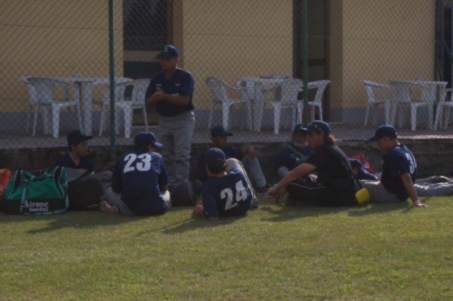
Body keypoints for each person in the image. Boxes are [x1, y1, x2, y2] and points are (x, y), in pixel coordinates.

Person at [267, 121, 356, 207]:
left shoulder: (323, 151)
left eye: (311, 135)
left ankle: (301, 202)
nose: (307, 138)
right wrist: (284, 185)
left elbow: (298, 172)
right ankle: (297, 201)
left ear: (321, 135)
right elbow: (303, 172)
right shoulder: (330, 147)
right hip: (342, 192)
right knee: (293, 181)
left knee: (292, 184)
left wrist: (276, 187)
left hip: (337, 194)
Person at [145, 45, 195, 189]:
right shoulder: (156, 78)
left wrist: (164, 96)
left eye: (167, 59)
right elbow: (149, 103)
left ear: (177, 60)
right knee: (166, 156)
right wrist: (155, 98)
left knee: (182, 155)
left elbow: (185, 100)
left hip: (183, 119)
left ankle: (182, 187)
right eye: (162, 58)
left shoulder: (185, 77)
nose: (163, 61)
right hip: (164, 120)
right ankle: (170, 185)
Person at [101, 131, 171, 216]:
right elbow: (165, 187)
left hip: (130, 209)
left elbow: (115, 188)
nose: (154, 149)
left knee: (108, 191)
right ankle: (166, 203)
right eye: (153, 146)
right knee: (167, 193)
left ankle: (116, 207)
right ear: (149, 146)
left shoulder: (123, 156)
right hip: (157, 208)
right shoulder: (157, 156)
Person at [364, 125, 427, 207]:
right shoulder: (404, 149)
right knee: (371, 179)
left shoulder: (392, 155)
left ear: (385, 139)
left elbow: (406, 177)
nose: (378, 145)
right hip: (401, 194)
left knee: (356, 183)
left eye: (378, 141)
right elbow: (392, 173)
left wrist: (416, 201)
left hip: (391, 194)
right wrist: (376, 180)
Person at [198, 126, 268, 193]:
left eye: (226, 137)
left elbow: (243, 156)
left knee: (251, 158)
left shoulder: (229, 149)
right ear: (213, 138)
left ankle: (262, 186)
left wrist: (249, 149)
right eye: (222, 137)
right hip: (220, 180)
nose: (224, 140)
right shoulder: (207, 154)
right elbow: (204, 176)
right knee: (230, 162)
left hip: (235, 177)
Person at [192, 148, 252, 220]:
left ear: (207, 167)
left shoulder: (208, 185)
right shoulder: (238, 173)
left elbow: (213, 217)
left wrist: (200, 209)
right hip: (245, 207)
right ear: (226, 163)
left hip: (226, 211)